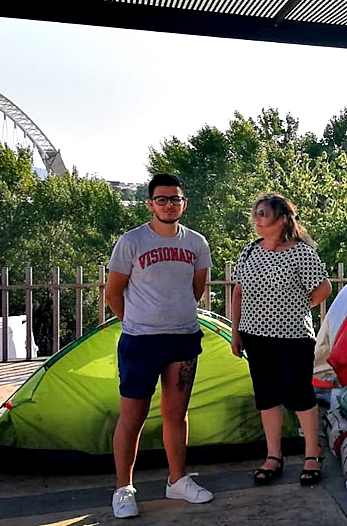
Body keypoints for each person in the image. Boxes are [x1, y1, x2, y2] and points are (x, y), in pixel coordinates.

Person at [105, 173, 214, 519]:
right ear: (150, 203)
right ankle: (124, 489)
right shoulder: (131, 241)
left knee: (176, 415)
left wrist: (172, 316)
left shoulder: (197, 243)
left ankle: (177, 480)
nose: (169, 204)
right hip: (139, 342)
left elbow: (195, 289)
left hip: (183, 338)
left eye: (175, 199)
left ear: (185, 203)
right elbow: (113, 292)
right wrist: (137, 322)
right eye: (162, 199)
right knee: (132, 418)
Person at [229, 194, 332, 487]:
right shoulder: (249, 251)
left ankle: (312, 453)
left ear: (282, 219)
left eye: (263, 213)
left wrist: (295, 307)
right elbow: (238, 292)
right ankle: (274, 456)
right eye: (256, 213)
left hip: (293, 337)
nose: (257, 218)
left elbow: (323, 289)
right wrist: (236, 332)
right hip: (255, 336)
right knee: (267, 395)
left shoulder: (301, 253)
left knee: (299, 394)